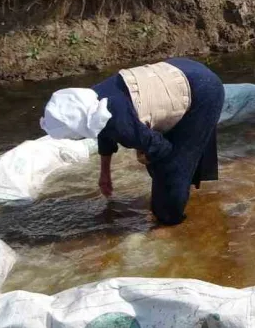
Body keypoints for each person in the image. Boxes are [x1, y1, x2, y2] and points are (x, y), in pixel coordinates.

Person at [39, 58, 225, 226]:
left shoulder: (119, 123)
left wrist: (149, 156)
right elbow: (104, 131)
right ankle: (181, 194)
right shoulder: (90, 102)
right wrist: (105, 173)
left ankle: (173, 223)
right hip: (183, 68)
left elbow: (163, 150)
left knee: (171, 168)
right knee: (163, 166)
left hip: (204, 91)